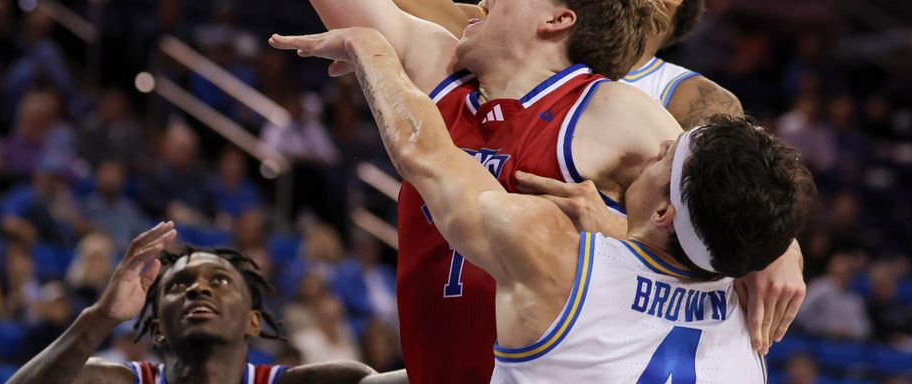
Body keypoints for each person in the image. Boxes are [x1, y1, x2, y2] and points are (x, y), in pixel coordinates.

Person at [132, 0, 805, 379]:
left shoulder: (615, 111)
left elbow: (718, 202)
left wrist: (779, 249)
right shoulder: (441, 61)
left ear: (558, 19)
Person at [272, 27, 813, 383]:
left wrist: (369, 47)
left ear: (664, 213)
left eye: (665, 159)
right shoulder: (751, 318)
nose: (658, 147)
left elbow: (425, 155)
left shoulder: (556, 253)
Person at [4, 222, 400, 384]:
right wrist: (102, 317)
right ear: (158, 329)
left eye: (220, 280)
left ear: (253, 321)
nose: (198, 289)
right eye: (179, 284)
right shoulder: (115, 381)